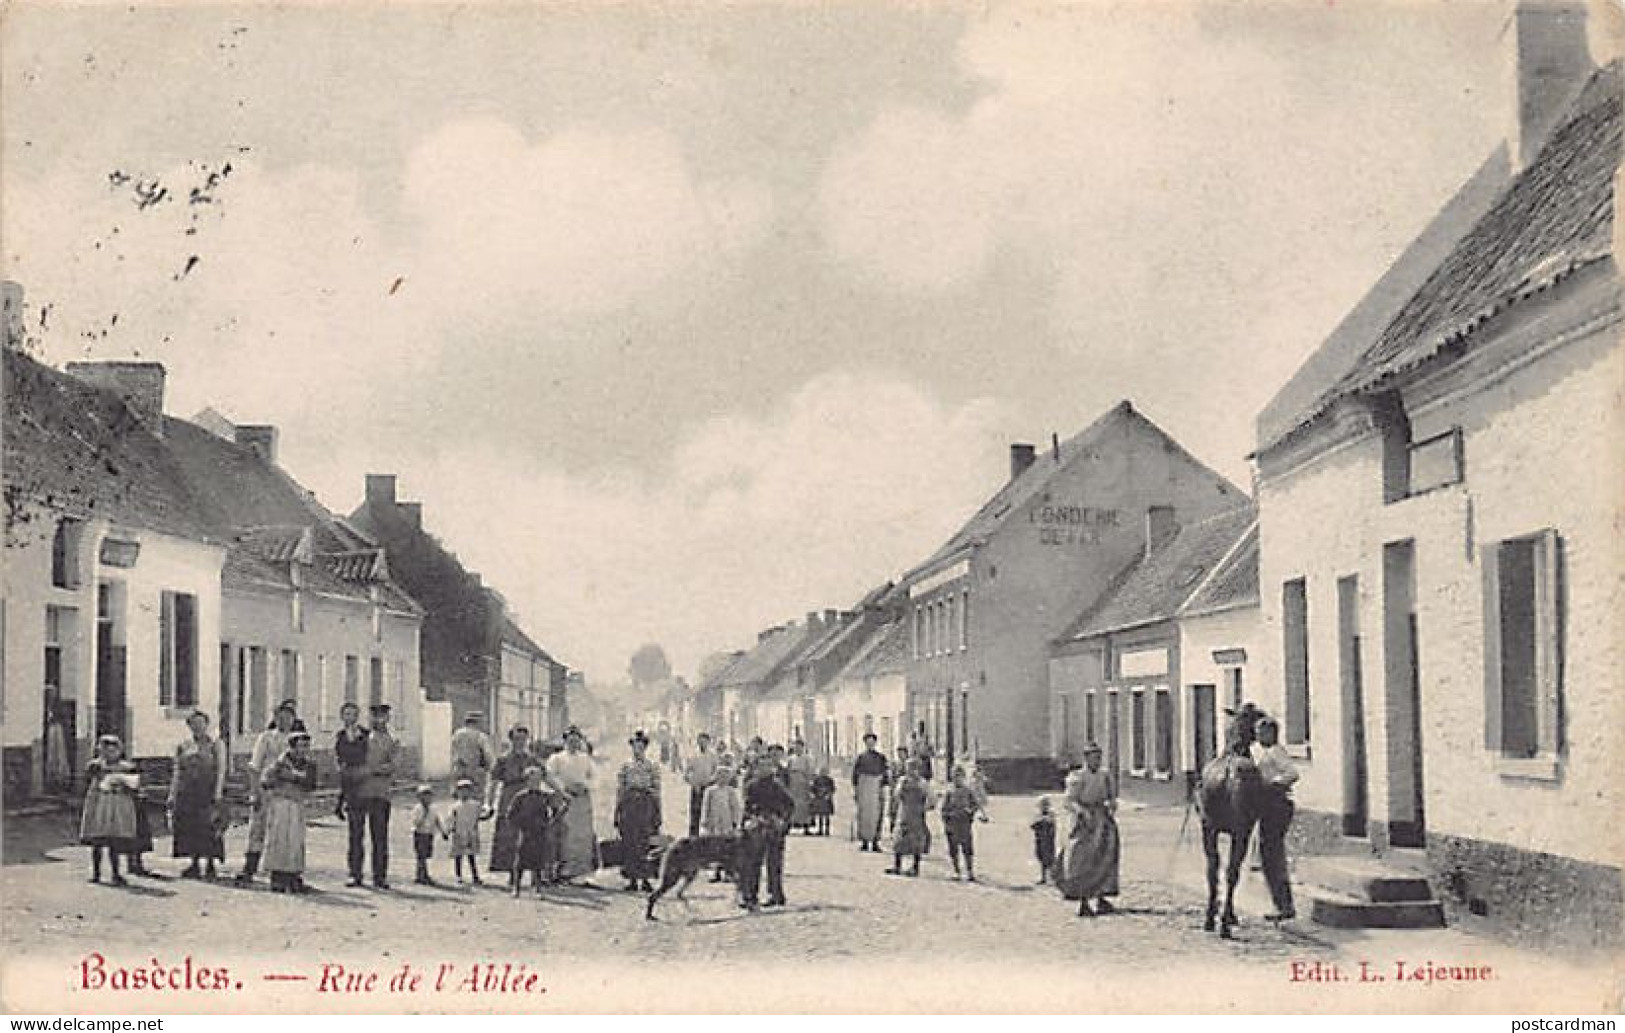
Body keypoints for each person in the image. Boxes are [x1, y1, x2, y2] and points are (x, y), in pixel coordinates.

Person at [235, 699, 304, 884]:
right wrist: (254, 792)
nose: (284, 721)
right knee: (258, 828)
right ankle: (249, 868)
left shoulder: (299, 740)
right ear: (274, 718)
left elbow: (306, 767)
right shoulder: (266, 738)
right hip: (267, 791)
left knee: (289, 832)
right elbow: (255, 767)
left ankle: (289, 872)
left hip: (289, 793)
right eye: (280, 717)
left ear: (294, 719)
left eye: (288, 717)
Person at [1055, 742, 1120, 917]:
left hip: (1102, 818)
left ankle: (1101, 897)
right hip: (1084, 821)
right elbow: (1068, 801)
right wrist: (1081, 812)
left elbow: (1111, 796)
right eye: (1093, 757)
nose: (1097, 761)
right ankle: (1083, 899)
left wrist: (1111, 804)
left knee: (1106, 855)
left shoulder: (1105, 775)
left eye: (1099, 757)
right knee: (1081, 858)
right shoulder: (1077, 777)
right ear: (1086, 759)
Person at [1251, 715, 1299, 922]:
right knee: (1269, 855)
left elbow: (1293, 773)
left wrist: (1274, 784)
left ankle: (1284, 906)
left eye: (1262, 732)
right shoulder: (1264, 752)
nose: (1258, 736)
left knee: (1273, 856)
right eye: (1257, 732)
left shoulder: (1277, 753)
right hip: (1268, 806)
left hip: (1277, 805)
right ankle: (1280, 904)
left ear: (1272, 733)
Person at [345, 702, 399, 889]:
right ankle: (355, 874)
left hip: (380, 793)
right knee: (356, 836)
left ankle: (380, 876)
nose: (379, 720)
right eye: (375, 716)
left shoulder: (392, 740)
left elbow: (392, 766)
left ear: (388, 718)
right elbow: (350, 758)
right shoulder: (362, 738)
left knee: (380, 837)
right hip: (360, 792)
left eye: (383, 716)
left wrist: (371, 770)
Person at [169, 710, 227, 879]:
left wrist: (218, 792)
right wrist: (172, 793)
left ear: (207, 724)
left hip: (207, 790)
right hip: (188, 792)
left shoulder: (216, 744)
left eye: (201, 723)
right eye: (194, 724)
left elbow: (221, 769)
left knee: (209, 826)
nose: (197, 727)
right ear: (189, 726)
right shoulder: (184, 745)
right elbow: (177, 771)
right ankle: (194, 863)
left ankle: (210, 864)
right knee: (189, 826)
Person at [261, 729, 318, 894]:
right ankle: (277, 876)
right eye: (300, 746)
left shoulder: (309, 765)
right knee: (279, 839)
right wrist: (277, 780)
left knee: (295, 840)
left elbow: (311, 784)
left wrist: (294, 777)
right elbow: (266, 780)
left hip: (297, 803)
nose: (303, 750)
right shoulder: (279, 764)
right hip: (280, 804)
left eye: (306, 746)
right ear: (292, 747)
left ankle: (293, 875)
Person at [80, 734, 138, 886]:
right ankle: (96, 873)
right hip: (99, 804)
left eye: (113, 750)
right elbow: (87, 779)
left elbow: (135, 785)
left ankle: (116, 873)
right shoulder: (95, 766)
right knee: (97, 840)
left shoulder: (126, 767)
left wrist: (124, 784)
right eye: (105, 750)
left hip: (118, 805)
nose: (109, 754)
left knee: (114, 840)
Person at [738, 755, 794, 910]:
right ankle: (750, 895)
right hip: (757, 827)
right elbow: (747, 807)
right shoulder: (752, 786)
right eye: (761, 766)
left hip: (774, 828)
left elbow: (790, 805)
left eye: (768, 766)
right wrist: (747, 822)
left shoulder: (778, 786)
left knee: (774, 863)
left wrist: (782, 821)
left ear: (772, 768)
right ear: (756, 769)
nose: (765, 769)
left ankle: (775, 895)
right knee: (753, 862)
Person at [545, 726, 599, 883]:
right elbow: (550, 777)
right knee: (564, 834)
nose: (573, 743)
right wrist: (563, 788)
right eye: (570, 740)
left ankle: (581, 873)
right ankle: (562, 870)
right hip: (564, 799)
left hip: (582, 801)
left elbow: (595, 777)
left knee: (582, 835)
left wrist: (585, 785)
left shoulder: (585, 759)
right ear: (565, 741)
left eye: (576, 740)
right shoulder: (556, 759)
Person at [505, 766, 567, 896]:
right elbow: (510, 814)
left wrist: (553, 819)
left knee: (538, 860)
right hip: (525, 831)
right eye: (532, 780)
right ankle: (516, 887)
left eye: (538, 780)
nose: (535, 783)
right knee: (521, 860)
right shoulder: (521, 797)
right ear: (526, 781)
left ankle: (538, 888)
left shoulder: (544, 796)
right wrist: (518, 824)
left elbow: (560, 804)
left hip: (540, 831)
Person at [614, 730, 663, 892]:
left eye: (641, 746)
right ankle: (632, 879)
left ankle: (646, 879)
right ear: (632, 747)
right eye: (636, 746)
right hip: (629, 805)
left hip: (645, 805)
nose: (638, 750)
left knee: (645, 842)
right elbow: (620, 789)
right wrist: (617, 810)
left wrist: (658, 812)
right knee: (629, 842)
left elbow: (657, 789)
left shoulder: (651, 766)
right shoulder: (626, 766)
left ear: (645, 748)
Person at [486, 725, 537, 875]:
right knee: (508, 834)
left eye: (523, 739)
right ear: (511, 740)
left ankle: (529, 871)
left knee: (529, 835)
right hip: (509, 797)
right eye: (517, 739)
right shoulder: (503, 759)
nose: (520, 742)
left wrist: (560, 792)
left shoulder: (532, 759)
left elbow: (546, 777)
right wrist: (489, 804)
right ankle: (509, 871)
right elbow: (493, 782)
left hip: (528, 798)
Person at [940, 766, 989, 881]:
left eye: (960, 776)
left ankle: (970, 871)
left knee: (967, 848)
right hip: (952, 824)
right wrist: (947, 817)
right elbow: (943, 808)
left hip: (964, 823)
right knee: (953, 848)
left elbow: (976, 804)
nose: (957, 779)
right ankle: (956, 871)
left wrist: (971, 811)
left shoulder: (968, 791)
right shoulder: (949, 792)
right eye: (955, 776)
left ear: (963, 777)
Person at [887, 759, 932, 877]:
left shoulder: (922, 783)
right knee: (899, 838)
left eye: (913, 768)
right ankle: (897, 865)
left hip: (917, 813)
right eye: (909, 768)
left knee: (916, 839)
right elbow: (896, 795)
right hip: (904, 811)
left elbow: (931, 798)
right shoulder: (903, 780)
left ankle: (915, 867)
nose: (911, 771)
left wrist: (924, 807)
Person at [700, 763, 743, 881]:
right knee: (713, 848)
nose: (723, 779)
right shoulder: (710, 791)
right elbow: (705, 806)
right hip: (713, 822)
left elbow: (735, 808)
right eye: (720, 776)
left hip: (726, 823)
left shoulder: (731, 791)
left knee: (727, 849)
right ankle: (714, 872)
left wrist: (735, 822)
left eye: (725, 776)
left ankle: (728, 872)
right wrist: (704, 820)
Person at [850, 733, 889, 851]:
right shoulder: (861, 758)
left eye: (872, 742)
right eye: (868, 742)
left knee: (877, 815)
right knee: (864, 816)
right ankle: (865, 842)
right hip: (864, 788)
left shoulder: (881, 757)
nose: (870, 744)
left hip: (876, 788)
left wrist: (883, 787)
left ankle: (876, 841)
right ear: (865, 743)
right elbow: (855, 776)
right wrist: (856, 790)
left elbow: (885, 774)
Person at [333, 702, 369, 826]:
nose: (349, 718)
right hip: (347, 774)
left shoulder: (365, 734)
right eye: (346, 714)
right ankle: (341, 806)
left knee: (359, 814)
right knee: (353, 815)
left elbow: (364, 752)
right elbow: (339, 752)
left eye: (353, 714)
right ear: (342, 717)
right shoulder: (341, 735)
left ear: (357, 717)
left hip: (361, 775)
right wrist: (339, 763)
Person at [449, 711, 496, 800]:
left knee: (460, 800)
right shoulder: (480, 736)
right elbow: (489, 757)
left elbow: (453, 755)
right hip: (476, 774)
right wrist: (489, 769)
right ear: (477, 722)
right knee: (475, 802)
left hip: (459, 771)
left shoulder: (456, 735)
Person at [447, 778, 485, 885]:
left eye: (467, 790)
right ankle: (458, 876)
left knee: (471, 855)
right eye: (461, 790)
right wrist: (448, 830)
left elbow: (480, 816)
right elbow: (451, 819)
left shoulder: (475, 805)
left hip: (471, 833)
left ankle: (475, 876)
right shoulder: (455, 806)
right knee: (458, 855)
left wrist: (488, 813)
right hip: (459, 832)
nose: (464, 792)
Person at [408, 784, 447, 886]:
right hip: (419, 834)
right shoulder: (417, 809)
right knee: (421, 855)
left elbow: (437, 820)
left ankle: (422, 875)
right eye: (424, 795)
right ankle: (422, 876)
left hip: (429, 834)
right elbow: (416, 823)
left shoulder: (433, 809)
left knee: (426, 855)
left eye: (429, 796)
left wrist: (443, 831)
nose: (427, 798)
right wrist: (424, 815)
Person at [682, 732, 720, 837]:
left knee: (709, 812)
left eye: (704, 741)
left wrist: (710, 781)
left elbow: (716, 771)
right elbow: (686, 773)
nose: (702, 743)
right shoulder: (693, 755)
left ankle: (708, 837)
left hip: (709, 787)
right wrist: (693, 782)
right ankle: (693, 837)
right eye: (700, 741)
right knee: (695, 813)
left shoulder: (713, 755)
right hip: (696, 788)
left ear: (708, 742)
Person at [784, 740, 814, 833]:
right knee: (792, 804)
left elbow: (809, 771)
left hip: (803, 783)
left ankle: (806, 826)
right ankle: (790, 824)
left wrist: (809, 782)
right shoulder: (791, 759)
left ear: (803, 747)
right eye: (796, 747)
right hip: (793, 783)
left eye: (799, 747)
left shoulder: (807, 758)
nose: (798, 749)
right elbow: (787, 771)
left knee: (804, 805)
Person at [1031, 796, 1058, 885]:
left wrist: (1045, 820)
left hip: (1048, 840)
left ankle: (1052, 877)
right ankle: (1043, 877)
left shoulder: (1051, 814)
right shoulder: (1038, 814)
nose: (1043, 807)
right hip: (1040, 839)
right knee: (1041, 857)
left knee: (1050, 859)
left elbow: (1052, 823)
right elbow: (1033, 825)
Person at [809, 766, 836, 836]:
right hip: (820, 798)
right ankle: (822, 830)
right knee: (822, 816)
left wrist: (828, 794)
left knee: (826, 816)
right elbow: (813, 788)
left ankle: (826, 830)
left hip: (825, 798)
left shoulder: (829, 780)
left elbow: (832, 788)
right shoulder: (818, 779)